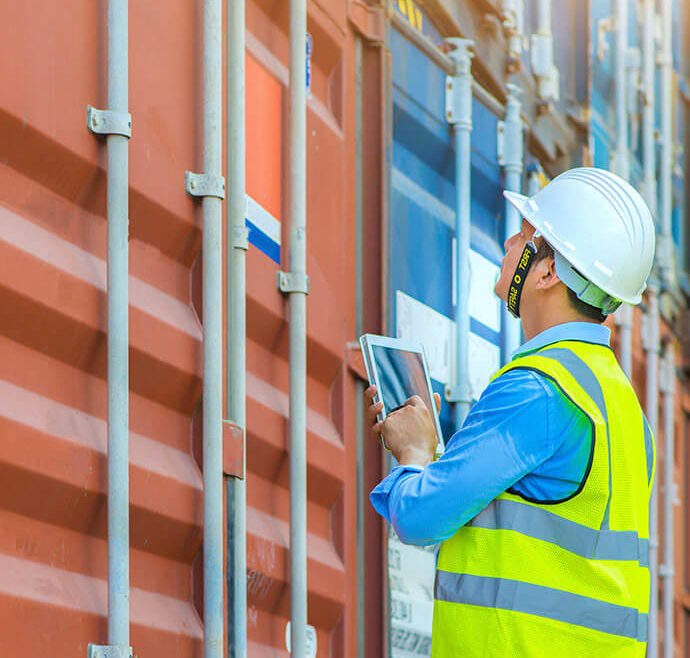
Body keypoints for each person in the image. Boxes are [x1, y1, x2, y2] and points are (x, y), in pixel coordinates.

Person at [365, 167, 656, 657]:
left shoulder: (538, 389)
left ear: (546, 272)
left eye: (525, 234)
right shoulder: (626, 411)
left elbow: (418, 517)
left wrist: (414, 453)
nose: (508, 241)